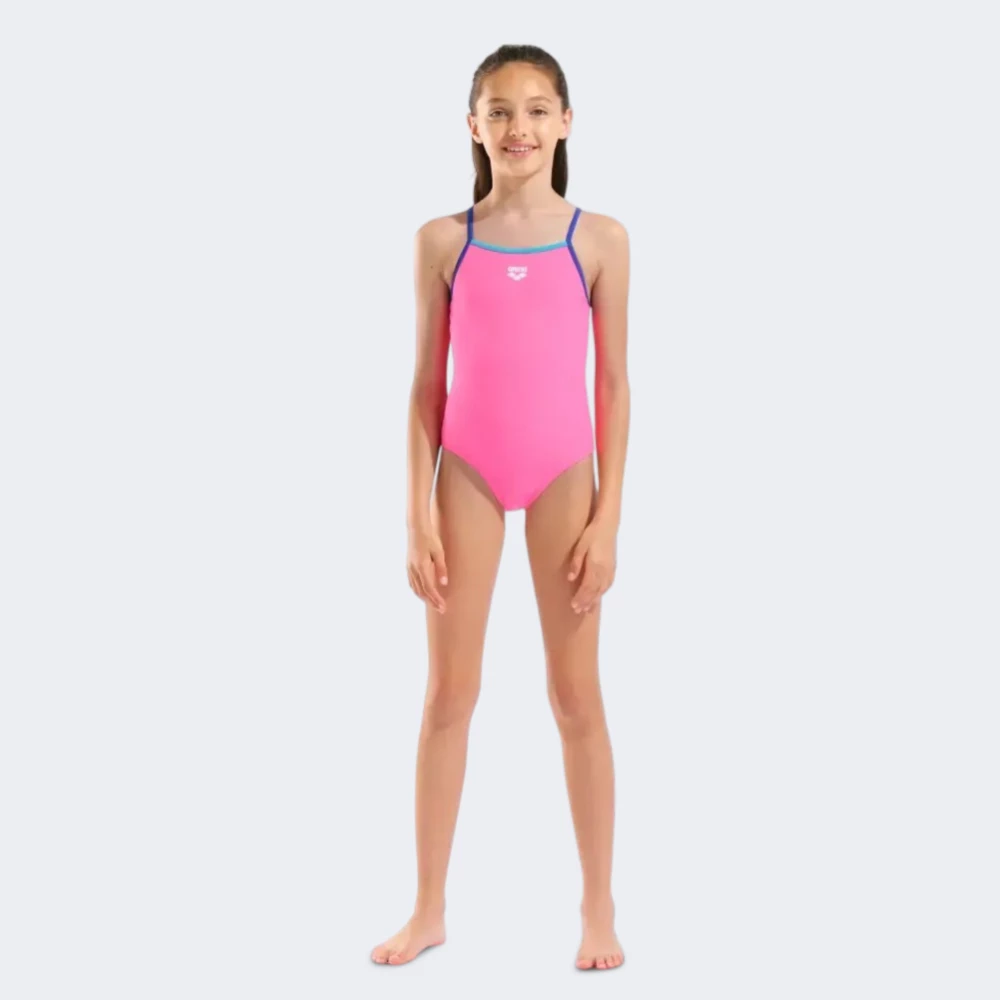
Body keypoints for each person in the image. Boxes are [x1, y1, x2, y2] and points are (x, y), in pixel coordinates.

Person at [371, 43, 630, 972]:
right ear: (472, 125)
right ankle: (428, 907)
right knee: (449, 694)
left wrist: (608, 517)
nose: (519, 126)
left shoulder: (598, 240)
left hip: (564, 474)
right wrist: (417, 514)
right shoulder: (444, 241)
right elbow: (424, 387)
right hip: (468, 475)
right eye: (500, 110)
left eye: (536, 109)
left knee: (576, 696)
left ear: (566, 122)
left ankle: (598, 909)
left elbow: (613, 385)